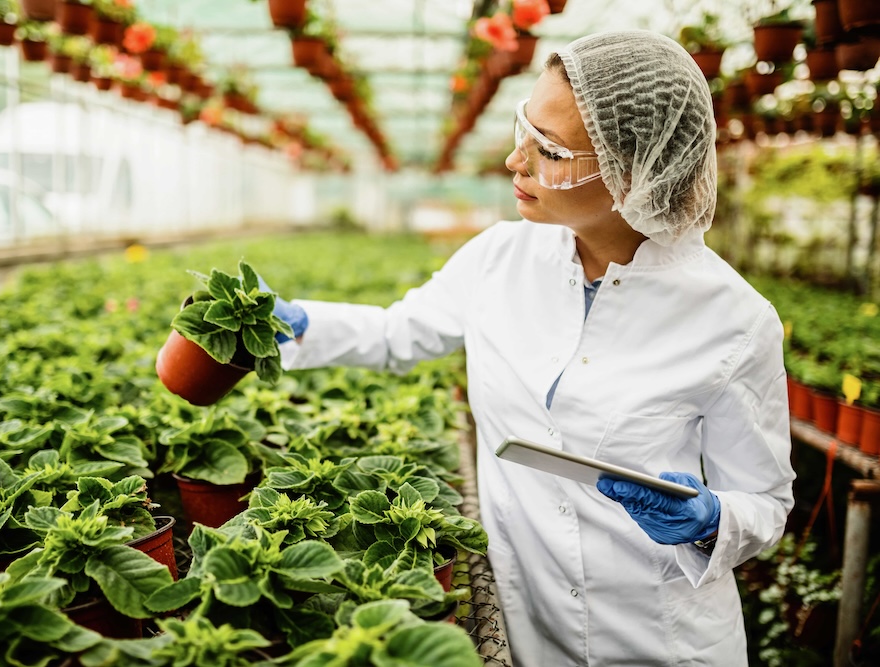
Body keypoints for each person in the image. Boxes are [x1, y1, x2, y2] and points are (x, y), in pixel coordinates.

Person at [266, 30, 795, 666]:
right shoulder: (500, 257)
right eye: (526, 130)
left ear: (632, 174)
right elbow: (398, 333)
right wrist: (294, 323)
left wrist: (710, 519)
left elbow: (764, 503)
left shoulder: (734, 320)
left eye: (548, 150)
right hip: (526, 628)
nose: (516, 162)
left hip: (663, 640)